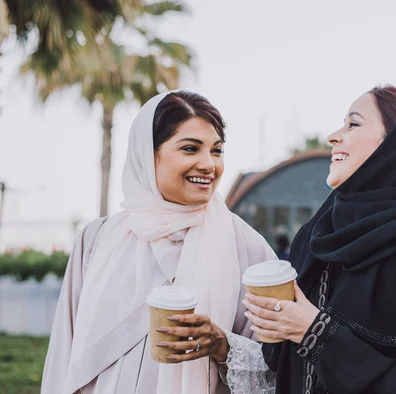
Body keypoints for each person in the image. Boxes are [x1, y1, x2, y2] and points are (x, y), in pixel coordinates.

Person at [232, 85, 396, 393]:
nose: (334, 135)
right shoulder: (315, 234)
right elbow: (282, 364)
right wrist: (269, 326)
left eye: (353, 124)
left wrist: (316, 333)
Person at [41, 90, 276, 394]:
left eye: (216, 151)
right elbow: (65, 351)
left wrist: (223, 346)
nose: (208, 165)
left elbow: (280, 367)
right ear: (147, 154)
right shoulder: (96, 239)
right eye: (191, 149)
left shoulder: (245, 246)